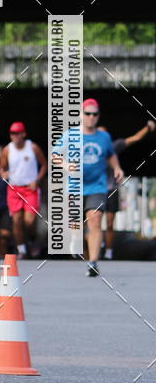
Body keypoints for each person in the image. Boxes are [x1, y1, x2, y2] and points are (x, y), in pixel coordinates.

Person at [79, 99, 123, 276]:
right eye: (87, 113)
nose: (91, 117)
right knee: (77, 226)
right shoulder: (70, 136)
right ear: (81, 115)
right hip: (75, 187)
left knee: (95, 219)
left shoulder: (104, 137)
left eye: (94, 114)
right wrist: (66, 165)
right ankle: (80, 246)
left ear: (98, 116)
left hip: (97, 187)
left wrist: (117, 168)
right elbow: (55, 156)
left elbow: (111, 155)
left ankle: (93, 262)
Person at [101, 119, 155, 259]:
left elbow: (135, 138)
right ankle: (87, 248)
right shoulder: (86, 148)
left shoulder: (113, 147)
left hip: (110, 189)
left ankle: (108, 251)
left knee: (109, 222)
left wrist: (147, 127)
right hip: (93, 190)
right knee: (92, 220)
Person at [0, 122, 47, 260]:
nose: (14, 136)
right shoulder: (7, 150)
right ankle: (21, 248)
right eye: (12, 133)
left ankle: (31, 240)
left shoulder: (33, 147)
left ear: (23, 134)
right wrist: (4, 173)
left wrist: (37, 180)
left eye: (17, 133)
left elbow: (44, 165)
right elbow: (2, 167)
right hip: (14, 188)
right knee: (16, 220)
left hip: (30, 188)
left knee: (29, 221)